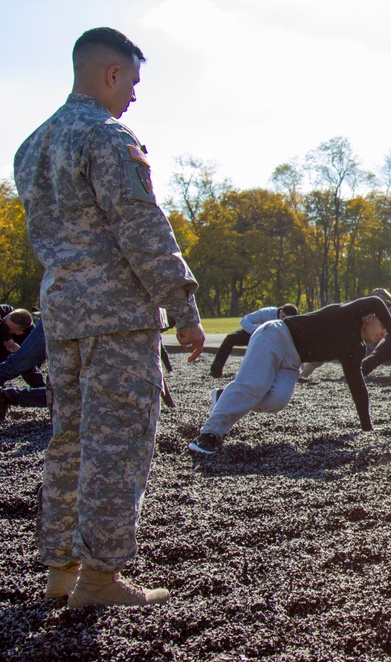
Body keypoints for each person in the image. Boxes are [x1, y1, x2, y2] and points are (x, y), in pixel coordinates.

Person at [14, 28, 206, 607]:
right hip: (118, 317)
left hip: (64, 317)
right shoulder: (107, 136)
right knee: (117, 445)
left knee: (67, 444)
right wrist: (183, 306)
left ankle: (61, 573)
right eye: (134, 83)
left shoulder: (33, 145)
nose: (135, 97)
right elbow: (142, 226)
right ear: (111, 75)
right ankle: (100, 579)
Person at [189, 296, 391, 455]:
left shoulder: (356, 349)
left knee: (277, 401)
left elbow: (358, 387)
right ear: (370, 318)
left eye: (387, 332)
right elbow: (375, 301)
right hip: (276, 335)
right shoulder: (348, 314)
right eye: (383, 326)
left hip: (293, 360)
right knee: (254, 386)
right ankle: (208, 436)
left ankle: (224, 398)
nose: (384, 334)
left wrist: (367, 429)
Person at [209, 303, 299, 378]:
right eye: (282, 316)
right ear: (280, 311)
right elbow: (245, 320)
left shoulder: (293, 322)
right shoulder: (267, 312)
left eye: (286, 319)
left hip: (274, 339)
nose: (283, 320)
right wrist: (255, 330)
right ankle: (216, 370)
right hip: (256, 332)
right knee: (230, 338)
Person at [0, 318, 49, 421]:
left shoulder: (26, 328)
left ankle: (7, 396)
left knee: (69, 392)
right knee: (20, 362)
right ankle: (7, 396)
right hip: (58, 317)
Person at [0, 306, 44, 388]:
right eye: (4, 321)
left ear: (19, 332)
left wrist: (39, 387)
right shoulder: (5, 310)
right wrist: (7, 338)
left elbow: (28, 363)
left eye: (7, 328)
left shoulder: (29, 338)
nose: (2, 326)